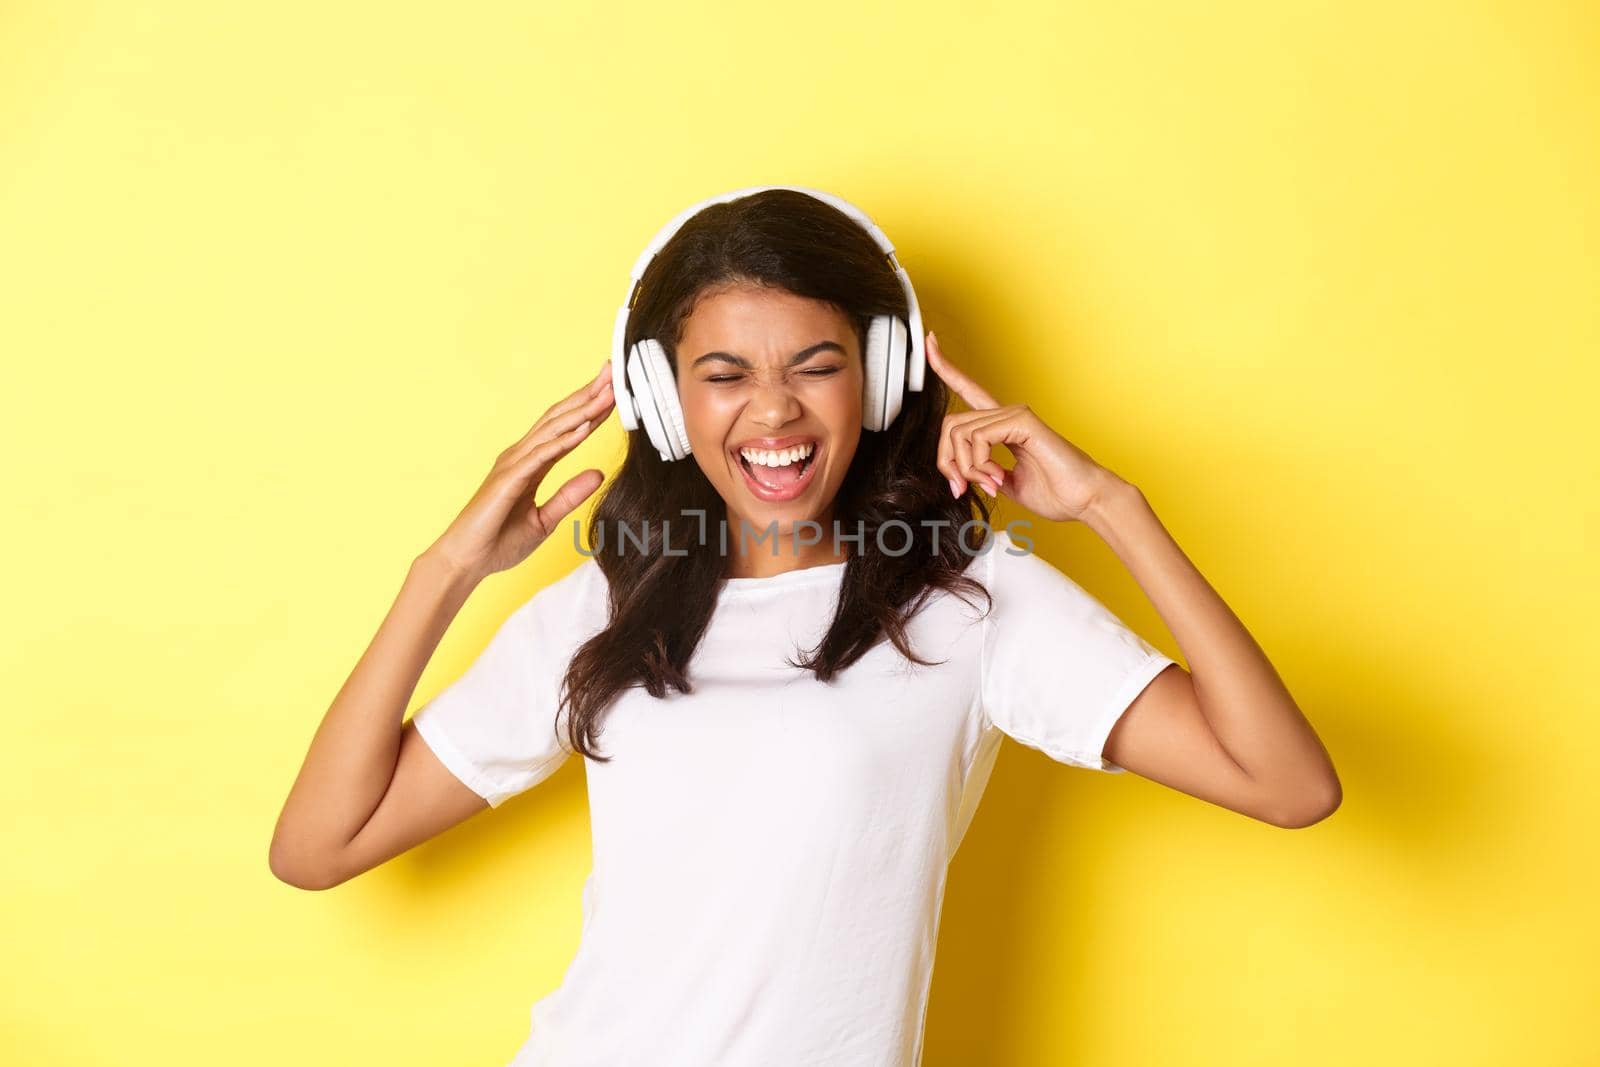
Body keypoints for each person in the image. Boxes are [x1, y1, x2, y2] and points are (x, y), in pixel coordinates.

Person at [269, 187, 1342, 1066]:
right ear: (662, 397)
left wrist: (1114, 507)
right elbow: (319, 846)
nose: (773, 411)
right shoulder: (606, 610)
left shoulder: (968, 600)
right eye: (723, 374)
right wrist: (447, 568)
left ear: (879, 380)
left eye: (815, 366)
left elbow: (1288, 784)